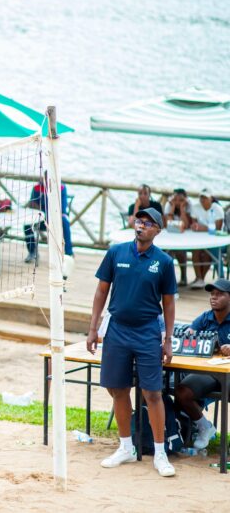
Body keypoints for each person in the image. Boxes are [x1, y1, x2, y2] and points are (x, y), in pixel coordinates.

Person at [86, 207, 177, 477]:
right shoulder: (116, 252)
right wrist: (93, 329)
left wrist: (168, 339)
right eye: (139, 221)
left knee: (153, 393)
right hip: (117, 330)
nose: (141, 226)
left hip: (148, 330)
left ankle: (160, 453)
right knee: (117, 388)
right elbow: (101, 291)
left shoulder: (164, 262)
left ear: (157, 230)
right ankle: (126, 447)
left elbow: (169, 304)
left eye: (148, 223)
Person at [174, 279, 230, 449]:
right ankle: (204, 427)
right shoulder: (205, 318)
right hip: (209, 371)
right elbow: (189, 336)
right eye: (212, 294)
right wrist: (189, 337)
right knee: (182, 392)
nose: (214, 297)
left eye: (220, 294)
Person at [24, 180, 73, 264]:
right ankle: (32, 252)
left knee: (65, 222)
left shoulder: (61, 188)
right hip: (42, 218)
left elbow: (63, 209)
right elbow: (32, 206)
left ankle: (69, 253)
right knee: (27, 224)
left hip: (56, 218)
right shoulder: (37, 188)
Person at [189, 189, 225, 289]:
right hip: (198, 238)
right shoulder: (195, 207)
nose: (203, 199)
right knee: (195, 250)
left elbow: (218, 228)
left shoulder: (217, 208)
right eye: (201, 197)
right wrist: (198, 228)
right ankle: (199, 279)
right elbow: (194, 225)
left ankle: (206, 279)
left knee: (209, 252)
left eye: (205, 197)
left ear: (211, 198)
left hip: (215, 240)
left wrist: (202, 228)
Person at [164, 188, 192, 286]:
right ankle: (168, 278)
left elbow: (186, 224)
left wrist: (182, 209)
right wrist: (172, 208)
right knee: (168, 251)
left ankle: (183, 276)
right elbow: (169, 224)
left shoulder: (188, 206)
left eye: (181, 200)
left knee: (180, 251)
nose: (177, 202)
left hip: (185, 237)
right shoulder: (169, 205)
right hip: (170, 236)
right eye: (175, 199)